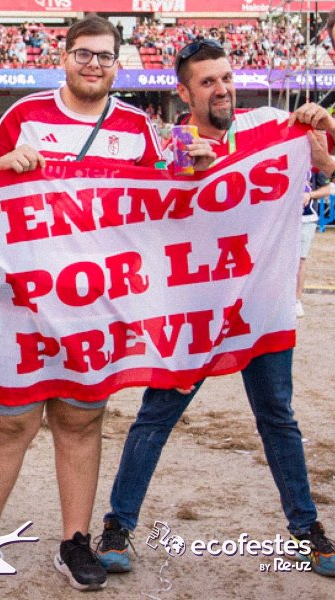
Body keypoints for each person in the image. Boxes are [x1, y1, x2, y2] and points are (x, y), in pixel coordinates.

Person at [96, 38, 335, 580]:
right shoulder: (170, 147)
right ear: (184, 91)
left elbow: (323, 163)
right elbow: (149, 221)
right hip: (195, 313)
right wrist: (189, 176)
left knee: (278, 418)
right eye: (208, 82)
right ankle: (117, 524)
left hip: (259, 305)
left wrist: (320, 132)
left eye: (226, 78)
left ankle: (307, 529)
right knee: (155, 417)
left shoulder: (273, 124)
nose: (222, 89)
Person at [0, 16, 166, 593]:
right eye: (84, 55)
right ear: (64, 57)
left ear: (119, 64)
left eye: (105, 57)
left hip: (96, 305)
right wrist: (0, 166)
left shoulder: (138, 128)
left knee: (80, 419)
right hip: (22, 303)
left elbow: (159, 215)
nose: (94, 65)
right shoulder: (25, 116)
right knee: (9, 421)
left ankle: (75, 541)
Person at [297, 170, 330, 317]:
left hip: (306, 218)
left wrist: (310, 195)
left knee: (300, 259)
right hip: (281, 218)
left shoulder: (314, 162)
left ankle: (296, 300)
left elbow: (327, 189)